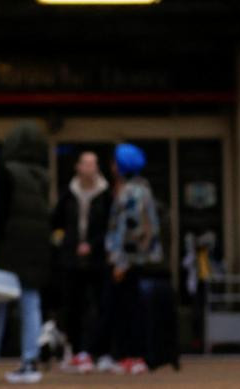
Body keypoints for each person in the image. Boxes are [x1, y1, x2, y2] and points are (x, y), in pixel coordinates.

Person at [0, 121, 51, 385]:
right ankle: (29, 361)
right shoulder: (43, 176)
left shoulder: (7, 172)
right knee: (31, 302)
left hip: (9, 245)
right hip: (36, 246)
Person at [103, 143, 162, 376]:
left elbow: (129, 228)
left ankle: (134, 356)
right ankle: (133, 355)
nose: (112, 166)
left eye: (115, 162)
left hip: (129, 260)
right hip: (136, 259)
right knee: (132, 307)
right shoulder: (140, 188)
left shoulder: (130, 192)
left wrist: (121, 262)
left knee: (129, 308)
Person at [53, 151, 111, 372]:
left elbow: (109, 226)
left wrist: (94, 245)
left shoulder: (105, 194)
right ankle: (76, 351)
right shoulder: (69, 193)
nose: (89, 168)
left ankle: (95, 351)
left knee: (95, 306)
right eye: (85, 163)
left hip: (96, 260)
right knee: (72, 305)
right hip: (71, 259)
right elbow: (57, 222)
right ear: (78, 167)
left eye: (93, 164)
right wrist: (67, 243)